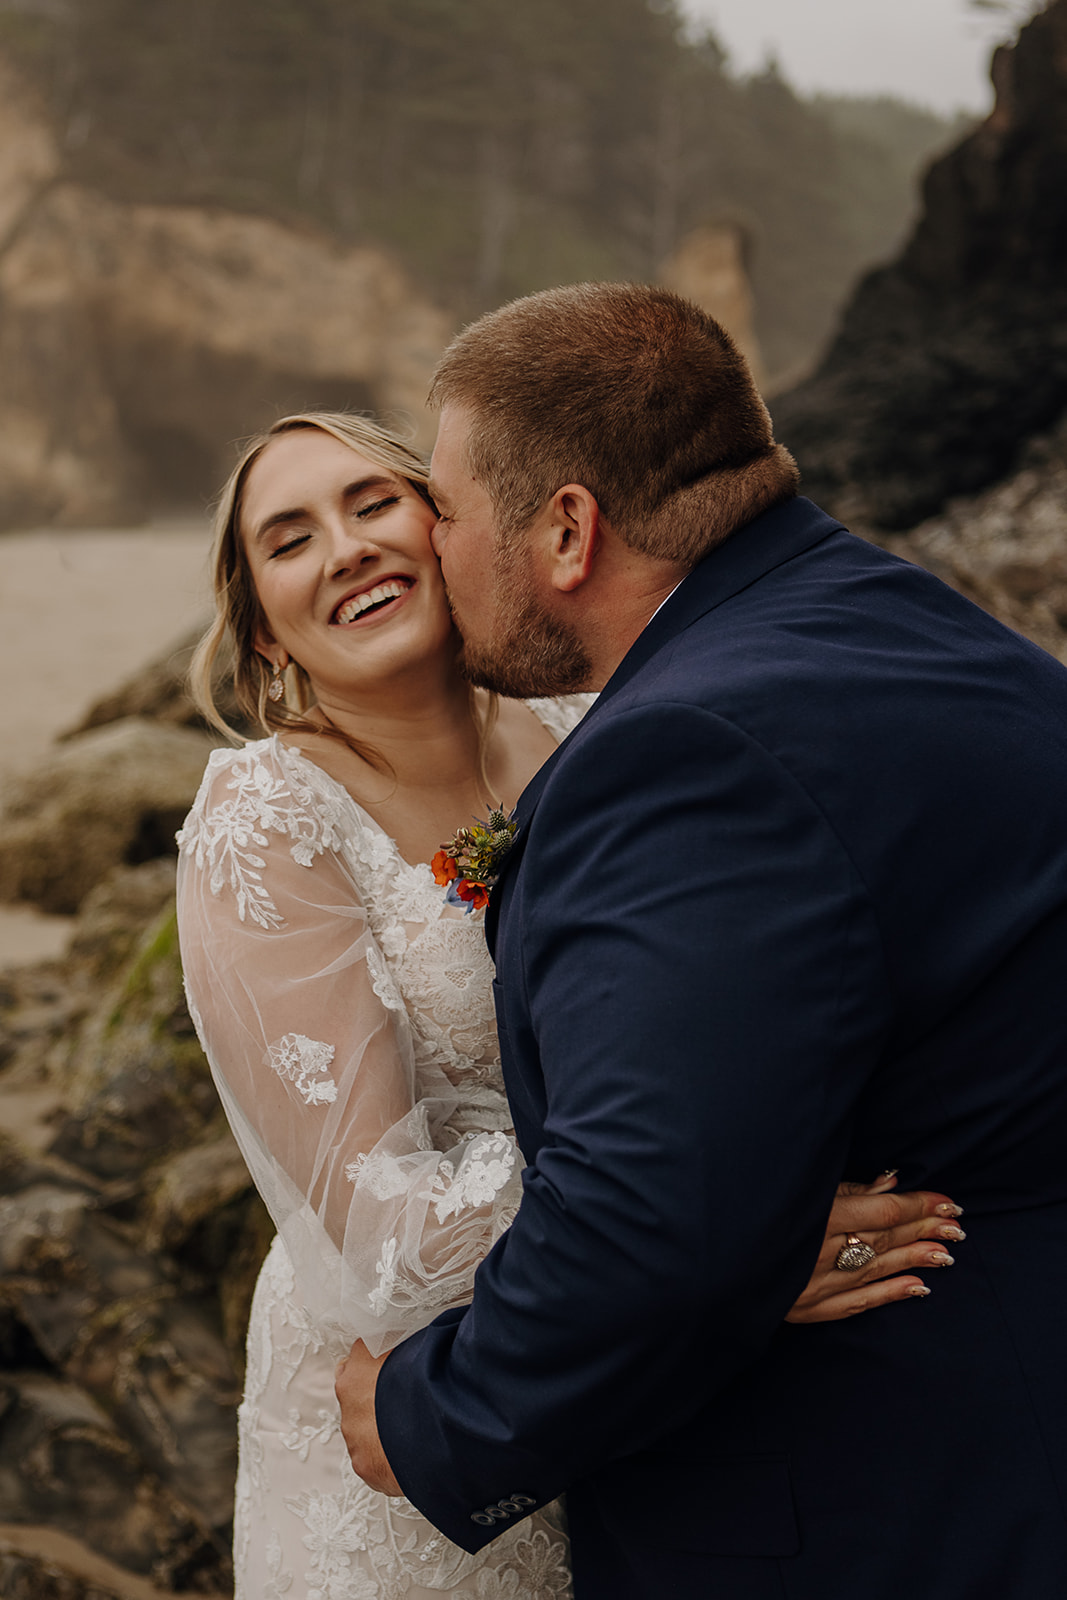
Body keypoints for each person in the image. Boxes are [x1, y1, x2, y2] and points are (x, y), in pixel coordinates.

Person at [335, 286, 1067, 1600]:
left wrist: (428, 1418)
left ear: (566, 527)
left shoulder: (688, 757)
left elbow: (651, 1223)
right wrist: (753, 1243)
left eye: (444, 508)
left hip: (876, 1506)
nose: (428, 547)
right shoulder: (910, 630)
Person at [175, 410, 960, 1600]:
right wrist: (724, 1232)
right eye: (289, 540)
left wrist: (706, 1241)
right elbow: (386, 1242)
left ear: (447, 526)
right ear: (259, 629)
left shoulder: (599, 730)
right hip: (414, 1427)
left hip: (644, 1393)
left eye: (373, 503)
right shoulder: (263, 824)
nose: (345, 548)